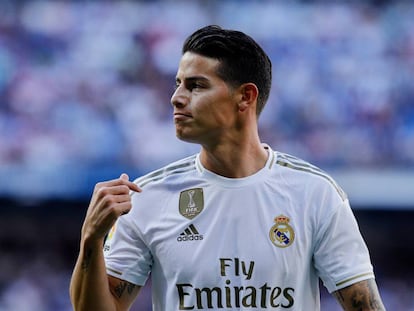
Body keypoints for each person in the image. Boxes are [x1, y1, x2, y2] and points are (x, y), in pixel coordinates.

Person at [69, 25, 386, 310]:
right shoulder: (147, 196)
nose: (176, 98)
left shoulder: (315, 195)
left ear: (245, 97)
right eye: (178, 84)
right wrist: (91, 241)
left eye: (196, 85)